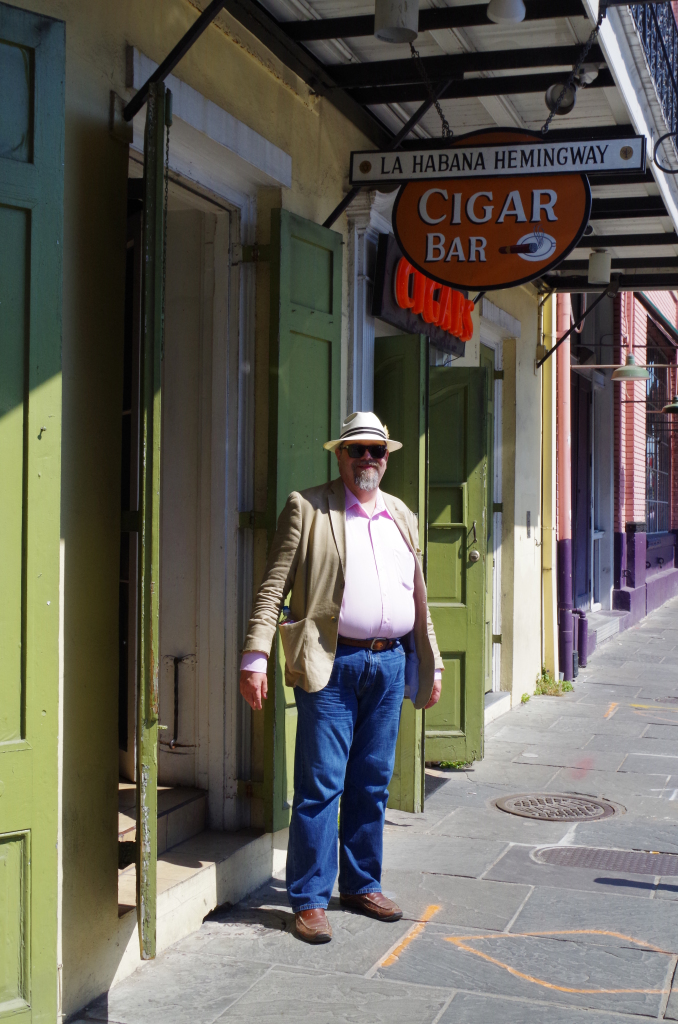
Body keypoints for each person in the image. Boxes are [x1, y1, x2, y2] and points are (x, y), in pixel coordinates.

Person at [239, 411, 443, 943]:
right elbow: (273, 587)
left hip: (390, 663)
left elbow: (417, 596)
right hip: (332, 664)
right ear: (340, 455)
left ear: (387, 457)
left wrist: (432, 662)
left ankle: (360, 884)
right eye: (357, 449)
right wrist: (255, 656)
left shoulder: (401, 514)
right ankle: (309, 898)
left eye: (377, 450)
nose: (367, 459)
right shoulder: (308, 507)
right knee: (321, 784)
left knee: (371, 782)